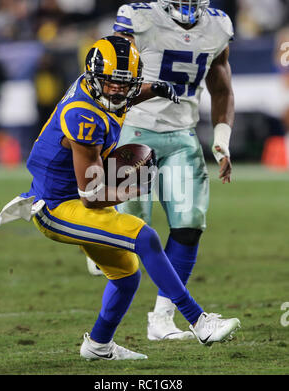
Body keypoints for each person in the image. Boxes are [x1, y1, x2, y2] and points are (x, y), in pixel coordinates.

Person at [0, 35, 240, 360]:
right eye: (110, 84)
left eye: (125, 84)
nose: (117, 91)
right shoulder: (82, 115)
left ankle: (98, 346)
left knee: (127, 275)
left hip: (76, 197)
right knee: (145, 237)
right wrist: (135, 188)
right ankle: (199, 321)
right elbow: (92, 196)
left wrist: (155, 88)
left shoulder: (107, 89)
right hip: (58, 206)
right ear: (95, 79)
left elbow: (126, 92)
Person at [89, 0, 236, 342]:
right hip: (134, 132)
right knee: (132, 236)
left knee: (189, 226)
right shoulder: (138, 18)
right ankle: (94, 249)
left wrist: (222, 137)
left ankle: (162, 320)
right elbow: (108, 76)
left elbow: (222, 85)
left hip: (182, 135)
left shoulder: (218, 26)